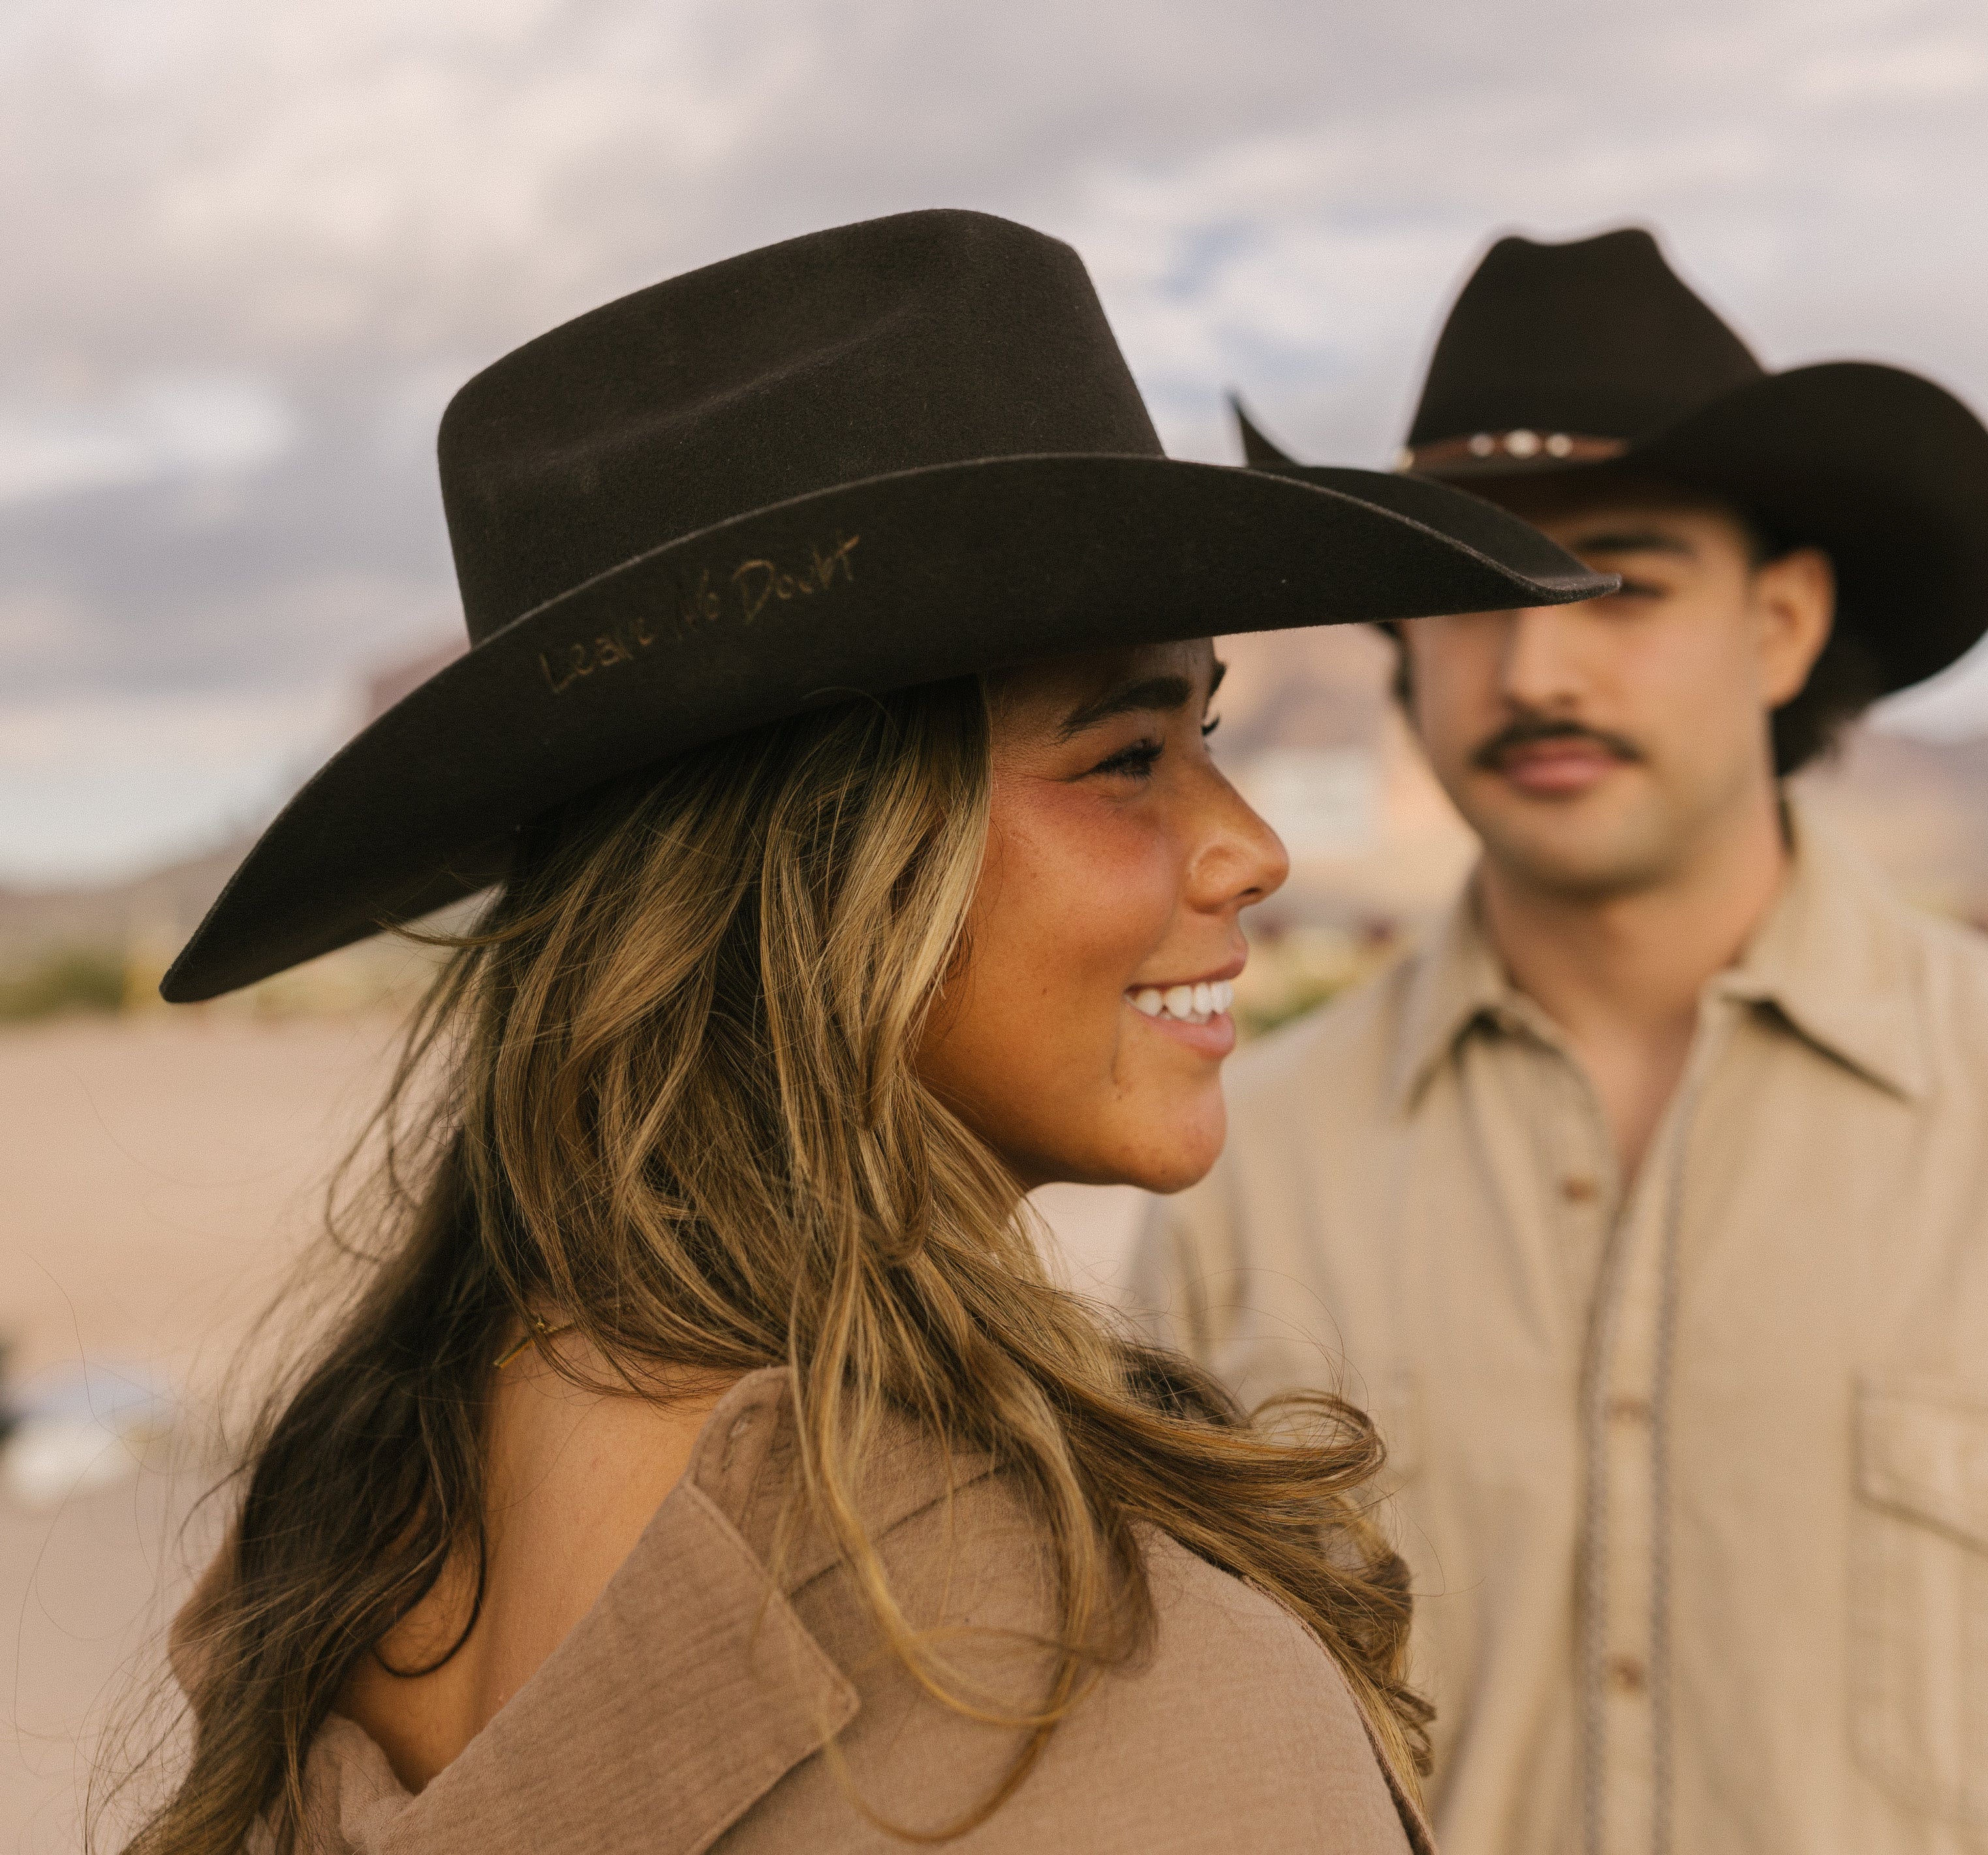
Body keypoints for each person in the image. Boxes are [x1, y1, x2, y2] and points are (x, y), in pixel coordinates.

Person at [119, 209, 1611, 1854]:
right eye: (1127, 754)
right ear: (819, 873)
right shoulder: (1108, 1696)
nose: (1250, 842)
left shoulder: (353, 1534)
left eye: (1208, 730)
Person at [1134, 226, 1988, 1854]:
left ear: (1783, 624)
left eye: (1620, 579)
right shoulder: (1243, 1168)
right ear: (1405, 653)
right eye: (1468, 590)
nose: (1537, 663)